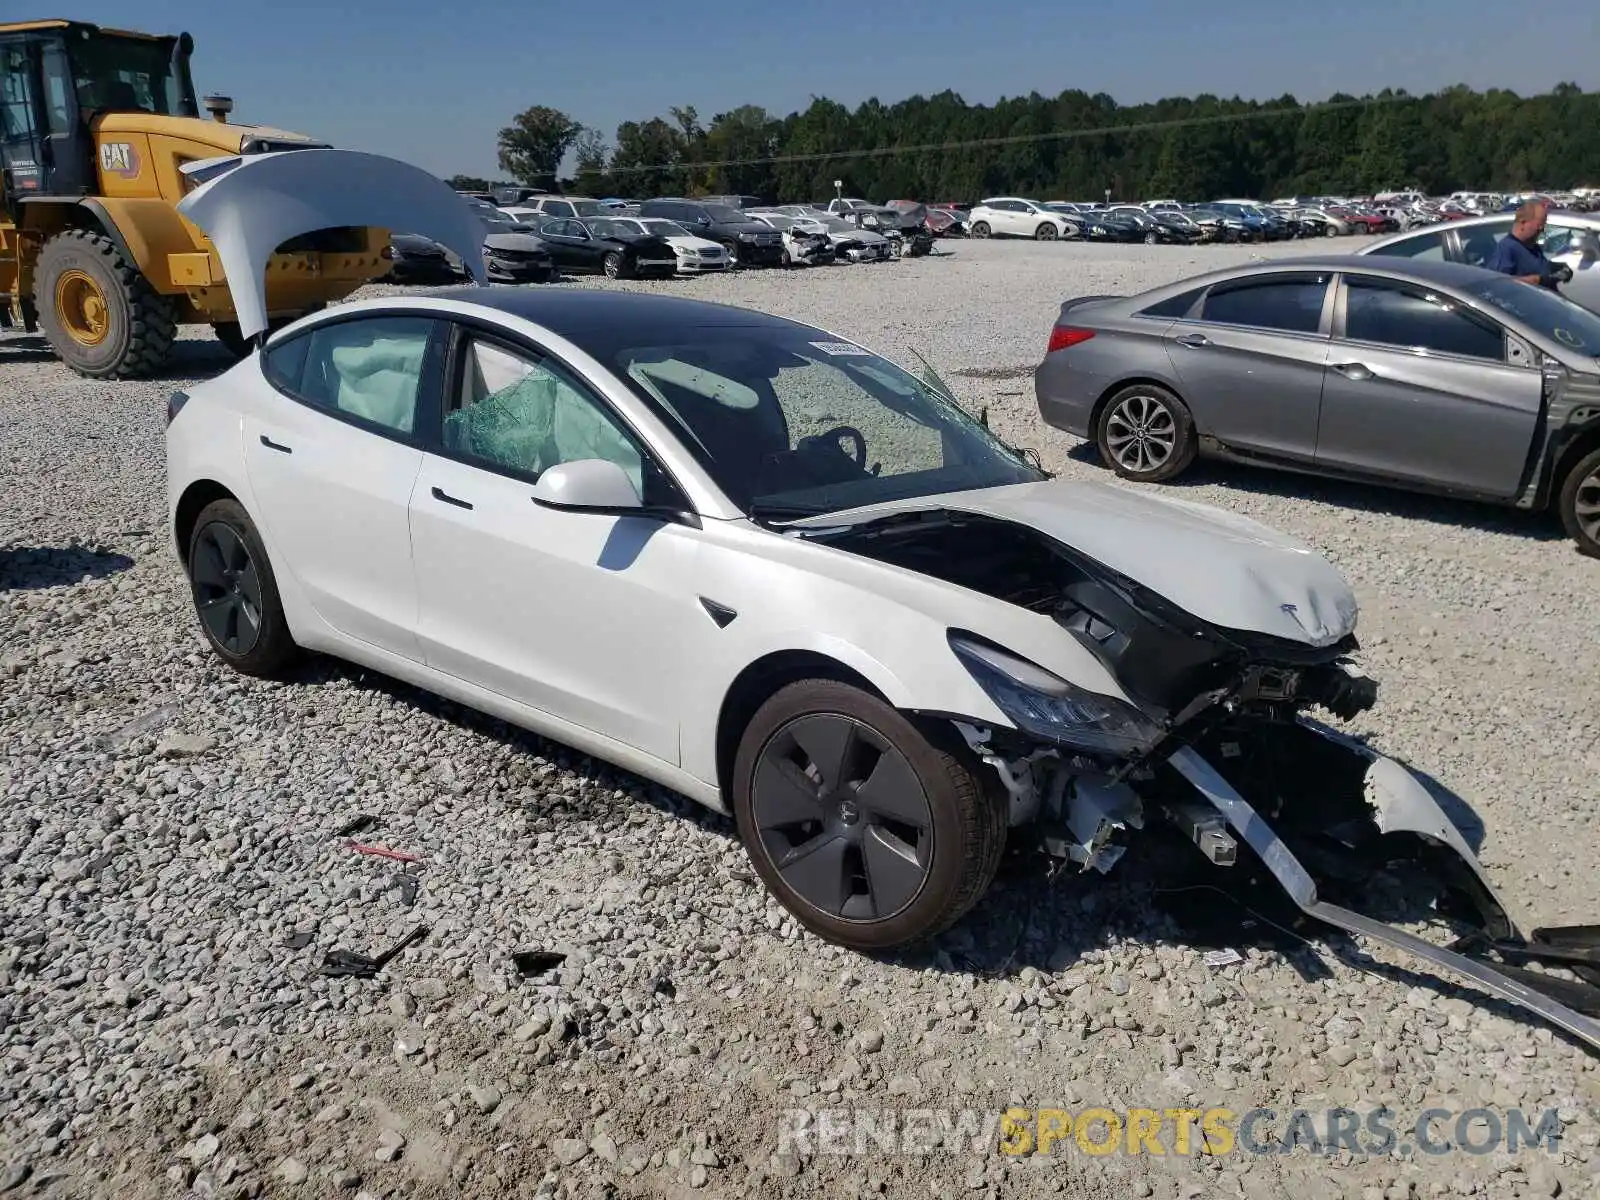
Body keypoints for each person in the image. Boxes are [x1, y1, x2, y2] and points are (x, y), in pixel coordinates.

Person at [1485, 201, 1574, 291]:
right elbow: (1498, 285)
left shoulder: (1533, 248)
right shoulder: (1507, 249)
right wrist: (1538, 280)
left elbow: (1539, 268)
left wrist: (1556, 268)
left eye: (1543, 226)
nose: (1542, 230)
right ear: (1523, 223)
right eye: (1539, 226)